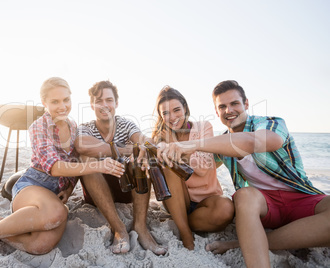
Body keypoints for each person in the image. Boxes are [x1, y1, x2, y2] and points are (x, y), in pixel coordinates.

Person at [0, 77, 125, 254]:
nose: (62, 106)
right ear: (44, 103)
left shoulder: (74, 126)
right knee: (57, 213)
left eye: (66, 100)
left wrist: (68, 188)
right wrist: (99, 166)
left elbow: (74, 161)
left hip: (54, 194)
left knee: (39, 245)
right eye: (55, 102)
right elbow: (56, 167)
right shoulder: (38, 127)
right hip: (32, 186)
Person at [156, 80, 330, 268]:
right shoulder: (220, 144)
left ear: (246, 104)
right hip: (263, 205)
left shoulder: (271, 123)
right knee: (243, 195)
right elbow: (201, 166)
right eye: (222, 106)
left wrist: (193, 144)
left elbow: (257, 141)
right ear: (217, 112)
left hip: (300, 197)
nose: (229, 110)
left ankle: (242, 243)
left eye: (234, 104)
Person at [74, 80, 166, 255]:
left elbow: (143, 139)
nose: (104, 105)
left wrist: (144, 146)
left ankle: (140, 227)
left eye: (109, 100)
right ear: (92, 105)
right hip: (97, 192)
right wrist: (125, 149)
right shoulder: (85, 127)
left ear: (116, 103)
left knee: (142, 156)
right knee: (86, 158)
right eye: (99, 101)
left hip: (127, 190)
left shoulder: (125, 124)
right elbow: (81, 146)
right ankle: (119, 229)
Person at [151, 86, 234, 250]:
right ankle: (185, 232)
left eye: (176, 110)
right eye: (166, 113)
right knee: (168, 168)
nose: (172, 117)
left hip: (207, 200)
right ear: (161, 116)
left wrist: (178, 147)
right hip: (177, 198)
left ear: (185, 108)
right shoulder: (160, 138)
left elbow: (204, 167)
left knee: (226, 209)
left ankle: (181, 220)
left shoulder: (203, 127)